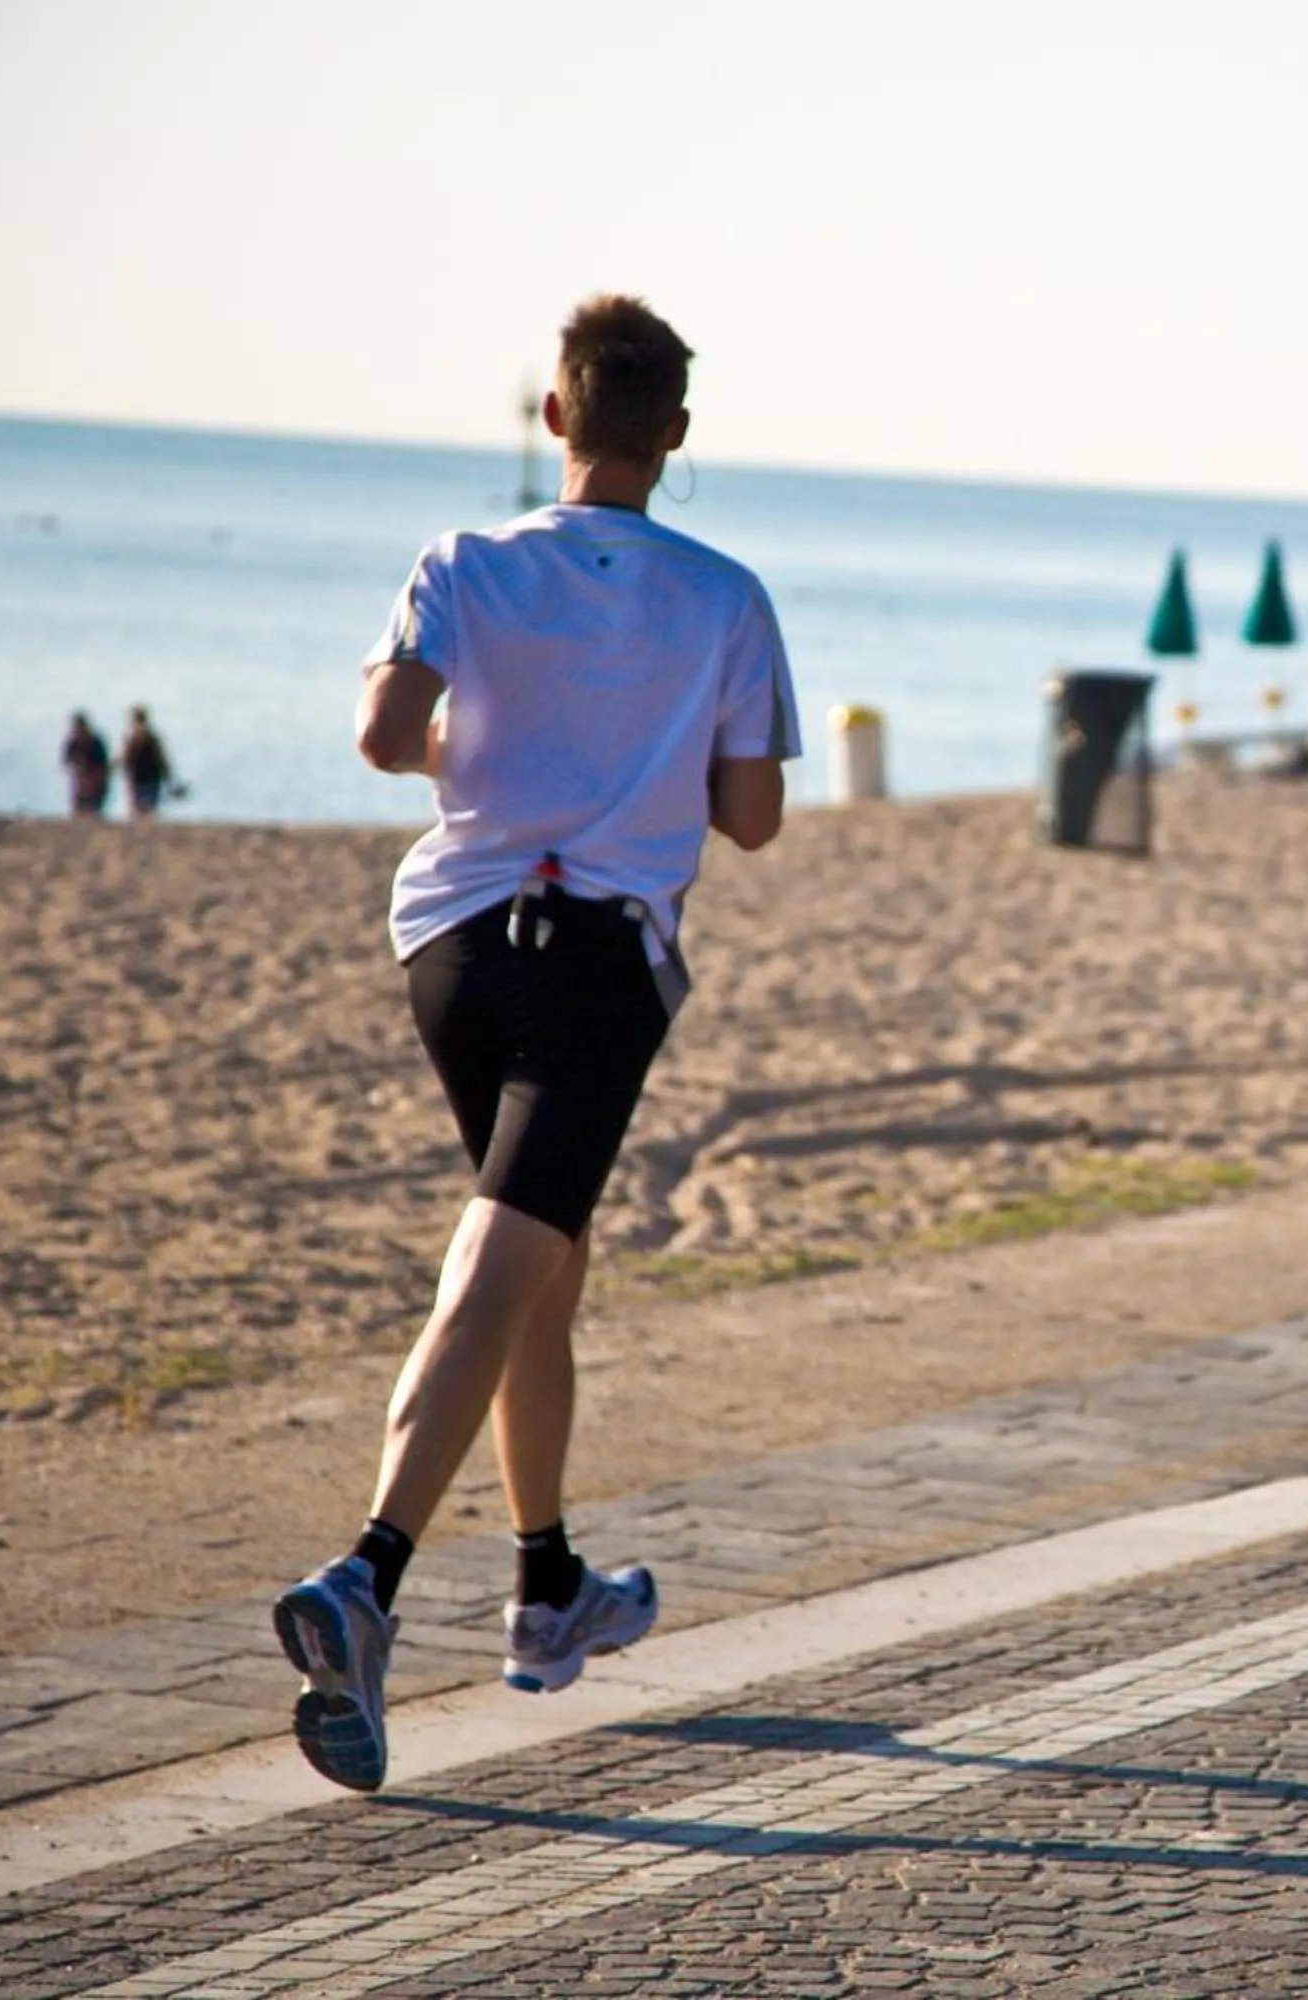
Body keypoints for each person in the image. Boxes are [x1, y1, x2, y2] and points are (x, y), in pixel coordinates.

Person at [271, 294, 800, 1793]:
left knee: (541, 1262)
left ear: (557, 415)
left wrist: (497, 753)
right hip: (595, 965)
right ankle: (369, 1574)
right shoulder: (725, 595)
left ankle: (550, 1584)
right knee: (505, 1254)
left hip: (450, 946)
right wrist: (642, 757)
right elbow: (752, 820)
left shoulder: (464, 562)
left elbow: (385, 738)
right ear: (676, 433)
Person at [118, 707, 174, 817]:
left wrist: (168, 777)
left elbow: (162, 759)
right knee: (138, 811)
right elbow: (123, 758)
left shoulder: (151, 739)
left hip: (150, 780)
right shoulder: (131, 739)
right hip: (137, 780)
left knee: (148, 811)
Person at [61, 711, 111, 818]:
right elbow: (66, 763)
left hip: (97, 784)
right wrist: (76, 770)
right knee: (78, 812)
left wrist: (93, 781)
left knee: (93, 813)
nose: (78, 733)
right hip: (80, 785)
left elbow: (104, 767)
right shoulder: (72, 743)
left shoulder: (96, 743)